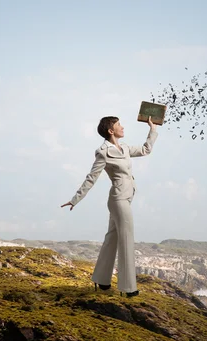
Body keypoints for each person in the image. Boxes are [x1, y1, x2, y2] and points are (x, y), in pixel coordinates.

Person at [61, 116, 158, 297]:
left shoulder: (126, 148)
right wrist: (75, 199)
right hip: (118, 199)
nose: (123, 127)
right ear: (111, 131)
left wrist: (152, 129)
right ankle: (128, 288)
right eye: (119, 125)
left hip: (126, 197)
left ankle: (101, 279)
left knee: (112, 238)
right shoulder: (103, 152)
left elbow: (146, 150)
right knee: (127, 239)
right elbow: (91, 177)